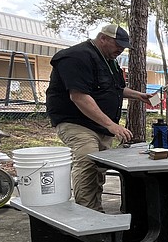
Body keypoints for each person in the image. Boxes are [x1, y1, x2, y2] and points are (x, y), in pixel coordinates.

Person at [46, 24, 152, 211]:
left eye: (123, 46)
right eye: (117, 44)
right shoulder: (77, 56)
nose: (120, 49)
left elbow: (115, 89)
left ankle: (96, 211)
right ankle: (86, 214)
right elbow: (79, 97)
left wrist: (139, 95)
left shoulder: (109, 61)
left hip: (101, 126)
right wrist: (112, 125)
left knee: (99, 169)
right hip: (77, 122)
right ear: (103, 38)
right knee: (87, 163)